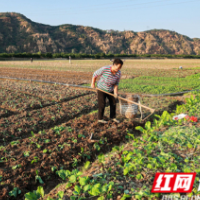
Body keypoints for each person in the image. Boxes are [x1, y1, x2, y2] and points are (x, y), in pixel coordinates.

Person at [91, 58, 123, 124]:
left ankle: (113, 117)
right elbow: (95, 74)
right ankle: (100, 119)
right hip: (101, 89)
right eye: (118, 67)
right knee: (102, 104)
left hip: (110, 89)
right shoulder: (105, 69)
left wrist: (115, 92)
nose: (119, 69)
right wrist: (93, 83)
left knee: (113, 103)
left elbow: (116, 83)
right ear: (114, 65)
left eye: (120, 67)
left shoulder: (118, 73)